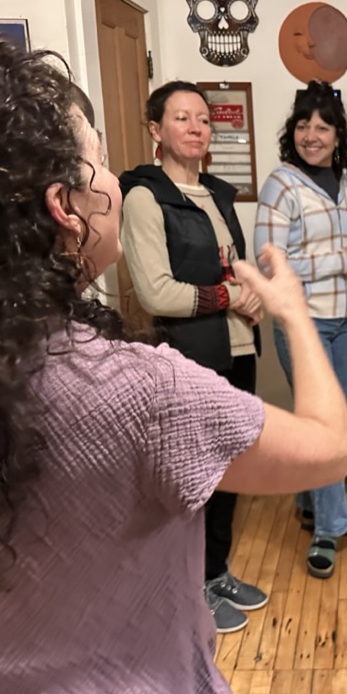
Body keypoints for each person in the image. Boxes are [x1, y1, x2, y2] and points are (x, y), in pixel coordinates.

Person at [0, 25, 347, 694]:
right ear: (64, 207)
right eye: (100, 161)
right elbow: (330, 446)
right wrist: (292, 310)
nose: (115, 181)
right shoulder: (138, 392)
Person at [119, 80, 267, 634]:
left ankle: (215, 572)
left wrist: (253, 296)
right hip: (189, 357)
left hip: (239, 349)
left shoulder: (218, 194)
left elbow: (233, 269)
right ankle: (188, 592)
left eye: (203, 119)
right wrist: (232, 296)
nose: (196, 128)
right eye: (182, 118)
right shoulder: (144, 197)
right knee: (193, 477)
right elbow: (157, 293)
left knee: (231, 469)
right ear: (155, 129)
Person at [254, 81, 347, 579]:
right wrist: (338, 261)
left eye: (323, 127)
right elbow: (270, 263)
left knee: (329, 422)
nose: (312, 135)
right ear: (292, 131)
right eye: (303, 125)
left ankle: (310, 504)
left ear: (339, 136)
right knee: (325, 427)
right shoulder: (281, 184)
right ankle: (329, 525)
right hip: (305, 323)